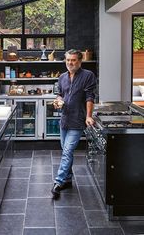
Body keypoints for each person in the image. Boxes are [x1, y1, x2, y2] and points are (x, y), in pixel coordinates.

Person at [51, 49, 96, 199]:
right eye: (68, 60)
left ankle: (58, 182)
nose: (70, 63)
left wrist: (88, 116)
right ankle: (68, 179)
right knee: (65, 150)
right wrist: (57, 101)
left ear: (80, 61)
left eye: (73, 60)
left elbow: (90, 97)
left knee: (67, 151)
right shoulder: (62, 77)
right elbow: (60, 94)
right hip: (64, 119)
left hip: (78, 120)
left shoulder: (88, 76)